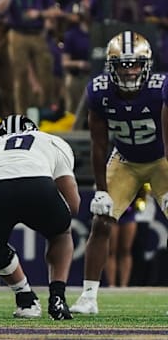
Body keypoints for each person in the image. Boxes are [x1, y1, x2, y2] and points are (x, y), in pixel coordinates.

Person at [71, 31, 168, 315]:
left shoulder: (161, 88)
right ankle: (88, 296)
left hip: (161, 158)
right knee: (101, 221)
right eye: (123, 65)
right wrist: (101, 189)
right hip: (125, 159)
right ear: (111, 66)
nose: (129, 71)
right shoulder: (99, 91)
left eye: (135, 64)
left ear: (147, 64)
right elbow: (98, 145)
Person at [0, 114, 80, 321]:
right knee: (61, 233)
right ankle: (57, 298)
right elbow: (73, 204)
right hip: (36, 183)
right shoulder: (49, 140)